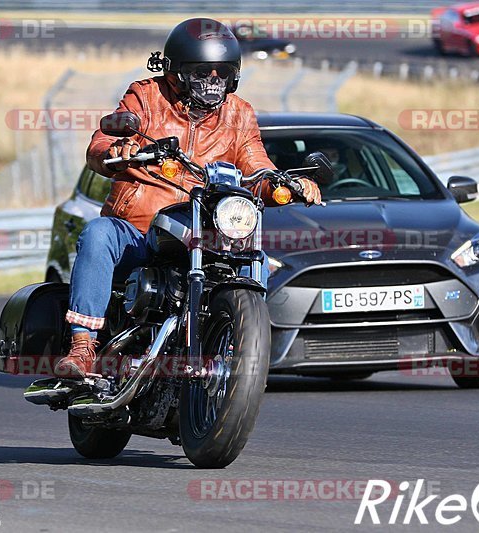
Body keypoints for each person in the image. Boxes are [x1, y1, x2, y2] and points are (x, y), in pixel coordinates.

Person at [55, 18, 322, 378]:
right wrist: (123, 150)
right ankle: (83, 346)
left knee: (257, 260)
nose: (213, 81)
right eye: (202, 72)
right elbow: (101, 145)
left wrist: (285, 185)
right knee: (99, 233)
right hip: (138, 231)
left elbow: (256, 166)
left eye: (221, 73)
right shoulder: (146, 96)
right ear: (176, 72)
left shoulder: (239, 114)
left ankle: (238, 347)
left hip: (203, 233)